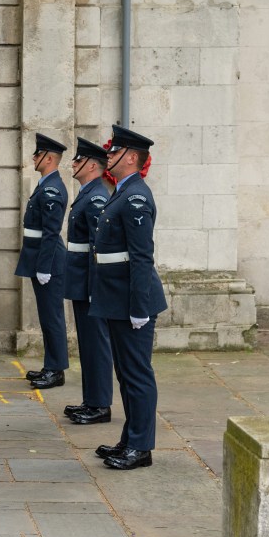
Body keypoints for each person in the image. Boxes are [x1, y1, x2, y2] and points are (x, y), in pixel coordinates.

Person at [89, 125, 167, 470]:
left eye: (114, 151)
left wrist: (139, 307)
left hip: (131, 300)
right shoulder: (122, 191)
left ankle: (141, 447)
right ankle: (130, 437)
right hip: (117, 297)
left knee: (136, 374)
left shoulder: (136, 196)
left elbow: (140, 256)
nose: (108, 156)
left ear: (131, 157)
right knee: (126, 372)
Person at [63, 138, 113, 425]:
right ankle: (91, 399)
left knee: (96, 343)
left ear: (92, 165)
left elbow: (98, 247)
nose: (73, 164)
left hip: (89, 284)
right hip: (81, 281)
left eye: (78, 160)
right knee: (88, 343)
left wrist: (97, 289)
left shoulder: (95, 197)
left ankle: (100, 404)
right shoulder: (87, 193)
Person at [16, 133, 69, 389]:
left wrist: (44, 267)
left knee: (52, 318)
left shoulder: (51, 188)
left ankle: (56, 370)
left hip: (47, 262)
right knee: (47, 318)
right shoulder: (45, 185)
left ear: (48, 158)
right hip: (40, 258)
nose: (34, 157)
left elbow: (50, 232)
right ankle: (51, 365)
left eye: (37, 154)